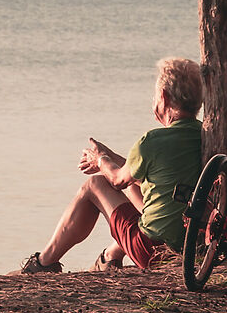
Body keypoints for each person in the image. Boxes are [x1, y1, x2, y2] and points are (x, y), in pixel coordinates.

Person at [18, 56, 206, 274]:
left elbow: (117, 180)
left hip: (152, 250)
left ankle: (43, 263)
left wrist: (100, 161)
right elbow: (142, 176)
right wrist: (110, 157)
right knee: (136, 187)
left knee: (94, 185)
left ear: (163, 97)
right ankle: (110, 257)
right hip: (192, 245)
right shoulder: (205, 135)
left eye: (155, 95)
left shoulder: (152, 141)